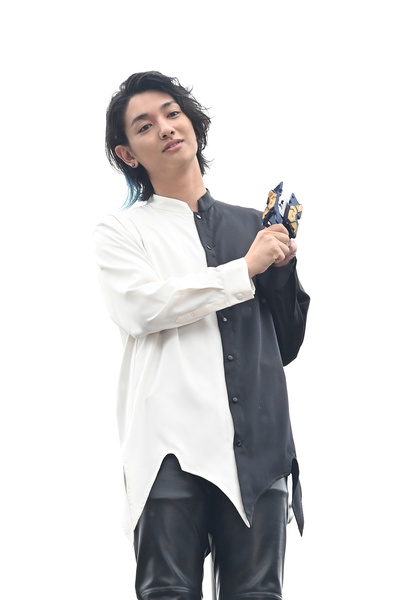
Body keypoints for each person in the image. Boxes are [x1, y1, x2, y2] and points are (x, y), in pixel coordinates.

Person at [93, 70, 310, 600]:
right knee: (167, 591)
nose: (166, 127)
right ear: (128, 154)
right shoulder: (122, 231)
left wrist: (281, 271)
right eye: (145, 125)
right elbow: (142, 308)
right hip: (168, 449)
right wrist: (244, 270)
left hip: (259, 448)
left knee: (258, 594)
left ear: (193, 124)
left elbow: (285, 345)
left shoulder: (252, 226)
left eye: (172, 113)